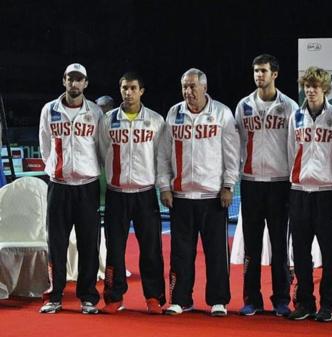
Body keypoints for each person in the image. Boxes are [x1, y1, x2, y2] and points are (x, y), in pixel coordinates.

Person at [157, 68, 240, 316]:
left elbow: (232, 154)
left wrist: (228, 186)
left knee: (216, 252)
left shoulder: (222, 113)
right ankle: (181, 299)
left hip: (212, 196)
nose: (188, 91)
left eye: (193, 86)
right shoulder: (174, 113)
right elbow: (163, 155)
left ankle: (218, 300)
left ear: (204, 87)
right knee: (180, 253)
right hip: (181, 196)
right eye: (184, 86)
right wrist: (164, 186)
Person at [234, 54, 299, 317]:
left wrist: (294, 181)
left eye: (263, 71)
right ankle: (252, 299)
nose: (258, 75)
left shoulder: (290, 107)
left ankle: (281, 299)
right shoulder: (243, 105)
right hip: (250, 183)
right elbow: (235, 143)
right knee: (252, 246)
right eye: (255, 71)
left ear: (275, 74)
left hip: (280, 183)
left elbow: (296, 146)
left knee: (279, 245)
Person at [38, 63, 104, 314]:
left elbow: (101, 147)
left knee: (89, 243)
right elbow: (44, 143)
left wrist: (87, 169)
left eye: (79, 80)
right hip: (59, 186)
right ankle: (55, 296)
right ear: (63, 81)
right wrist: (55, 168)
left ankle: (87, 297)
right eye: (70, 79)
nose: (74, 84)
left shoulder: (95, 112)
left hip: (87, 187)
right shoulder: (49, 110)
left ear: (86, 83)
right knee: (56, 243)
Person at [98, 72, 166, 314]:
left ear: (141, 91)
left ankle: (154, 297)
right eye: (124, 88)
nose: (128, 92)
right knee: (114, 248)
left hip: (145, 193)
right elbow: (101, 152)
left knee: (151, 249)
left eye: (133, 88)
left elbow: (162, 156)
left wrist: (162, 186)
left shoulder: (156, 120)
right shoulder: (107, 121)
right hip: (117, 193)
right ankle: (114, 297)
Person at [286, 67, 332, 322]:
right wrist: (297, 179)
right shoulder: (295, 116)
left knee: (329, 253)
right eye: (307, 86)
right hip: (299, 192)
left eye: (315, 87)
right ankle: (305, 302)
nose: (310, 91)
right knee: (300, 251)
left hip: (326, 193)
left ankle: (328, 303)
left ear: (325, 89)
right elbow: (292, 150)